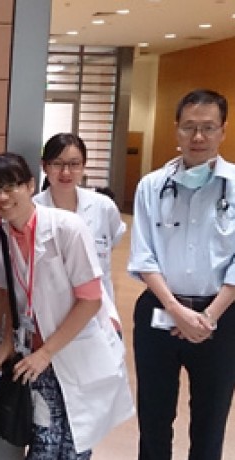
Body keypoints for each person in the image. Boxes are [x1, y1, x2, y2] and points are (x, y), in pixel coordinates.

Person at [0, 152, 133, 459]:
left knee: (75, 447)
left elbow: (90, 300)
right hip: (35, 358)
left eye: (11, 186)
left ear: (31, 184)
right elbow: (10, 294)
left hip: (75, 349)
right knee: (44, 446)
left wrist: (46, 353)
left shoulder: (67, 228)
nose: (3, 197)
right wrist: (3, 339)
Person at [128, 88, 235, 460]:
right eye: (189, 127)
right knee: (154, 418)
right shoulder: (151, 186)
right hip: (159, 311)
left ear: (223, 130)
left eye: (208, 127)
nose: (198, 137)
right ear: (177, 130)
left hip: (221, 318)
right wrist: (176, 310)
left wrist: (206, 317)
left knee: (210, 420)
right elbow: (144, 256)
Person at [34, 133, 126, 326]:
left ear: (84, 165)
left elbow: (113, 241)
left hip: (99, 314)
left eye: (74, 164)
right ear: (44, 166)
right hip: (51, 316)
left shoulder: (103, 206)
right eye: (57, 164)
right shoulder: (33, 209)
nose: (66, 172)